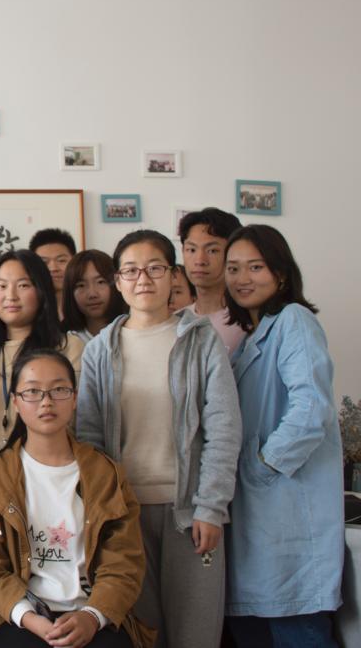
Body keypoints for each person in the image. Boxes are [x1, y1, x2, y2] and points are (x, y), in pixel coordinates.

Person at [77, 229, 241, 648]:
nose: (143, 279)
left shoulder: (201, 340)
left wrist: (211, 507)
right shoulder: (100, 349)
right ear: (118, 282)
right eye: (131, 270)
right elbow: (90, 439)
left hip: (190, 511)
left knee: (195, 634)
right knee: (141, 632)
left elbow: (224, 427)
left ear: (173, 275)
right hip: (125, 512)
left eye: (155, 268)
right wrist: (103, 513)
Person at [0, 350, 152, 648]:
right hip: (18, 615)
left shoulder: (105, 474)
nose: (46, 401)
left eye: (59, 390)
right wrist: (30, 618)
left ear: (74, 398)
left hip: (91, 611)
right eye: (33, 391)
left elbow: (124, 562)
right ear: (16, 402)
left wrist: (92, 616)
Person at [223, 225, 343, 647]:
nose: (242, 278)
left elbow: (311, 409)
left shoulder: (294, 320)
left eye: (255, 267)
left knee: (297, 628)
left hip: (287, 512)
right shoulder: (250, 338)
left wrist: (265, 464)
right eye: (233, 268)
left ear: (281, 273)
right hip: (259, 527)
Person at [0, 250, 84, 468]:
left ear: (42, 290)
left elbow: (79, 420)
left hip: (51, 474)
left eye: (23, 285)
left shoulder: (68, 347)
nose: (11, 295)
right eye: (1, 286)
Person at [178, 207, 245, 356]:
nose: (200, 260)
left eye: (212, 251)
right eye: (191, 250)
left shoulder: (248, 322)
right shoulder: (176, 320)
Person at [61, 250, 128, 344]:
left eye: (100, 282)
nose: (92, 294)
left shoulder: (131, 329)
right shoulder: (63, 340)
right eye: (81, 285)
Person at [30, 228, 77, 320]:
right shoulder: (27, 312)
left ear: (75, 261)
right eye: (44, 262)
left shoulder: (87, 305)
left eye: (61, 260)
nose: (53, 268)